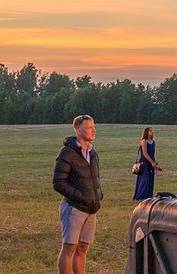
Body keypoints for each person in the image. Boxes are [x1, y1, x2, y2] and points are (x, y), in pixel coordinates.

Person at [53, 115, 103, 274]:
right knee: (69, 248)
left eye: (93, 126)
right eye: (89, 127)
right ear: (78, 129)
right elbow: (58, 182)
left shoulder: (92, 152)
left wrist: (98, 195)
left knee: (83, 248)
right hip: (74, 208)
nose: (93, 130)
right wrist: (80, 196)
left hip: (91, 208)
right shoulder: (67, 153)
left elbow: (94, 178)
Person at [132, 126, 163, 200]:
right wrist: (151, 162)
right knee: (145, 179)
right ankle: (141, 196)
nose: (152, 132)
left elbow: (152, 154)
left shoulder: (153, 142)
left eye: (152, 130)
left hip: (151, 162)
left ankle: (148, 196)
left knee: (151, 179)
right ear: (146, 132)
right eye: (150, 130)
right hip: (145, 163)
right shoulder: (144, 141)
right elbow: (145, 153)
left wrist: (155, 164)